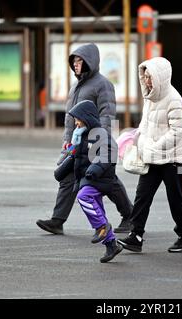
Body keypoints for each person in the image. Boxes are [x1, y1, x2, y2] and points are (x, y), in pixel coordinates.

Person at [36, 43, 133, 235]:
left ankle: (129, 215)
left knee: (108, 181)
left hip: (95, 141)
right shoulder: (75, 87)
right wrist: (67, 139)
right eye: (74, 61)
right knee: (68, 176)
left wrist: (100, 141)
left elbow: (107, 114)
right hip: (77, 141)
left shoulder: (103, 84)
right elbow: (69, 118)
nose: (77, 64)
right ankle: (57, 220)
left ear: (91, 62)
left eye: (80, 61)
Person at [118, 57, 182, 253]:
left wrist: (154, 147)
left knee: (176, 199)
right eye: (144, 76)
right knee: (142, 196)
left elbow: (179, 132)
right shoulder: (150, 97)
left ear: (161, 77)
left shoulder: (174, 99)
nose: (147, 80)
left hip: (175, 160)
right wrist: (138, 140)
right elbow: (145, 124)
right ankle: (136, 235)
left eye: (150, 76)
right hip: (152, 157)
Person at [62, 100, 123, 263]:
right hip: (88, 179)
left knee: (84, 197)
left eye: (78, 118)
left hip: (99, 178)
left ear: (86, 117)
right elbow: (78, 156)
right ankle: (111, 244)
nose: (76, 122)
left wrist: (94, 170)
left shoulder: (100, 133)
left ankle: (102, 227)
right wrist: (64, 165)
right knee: (96, 209)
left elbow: (110, 151)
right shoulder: (81, 135)